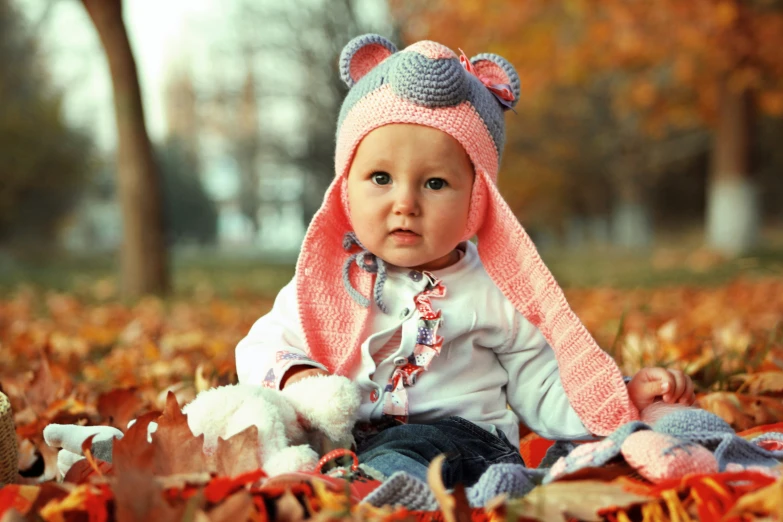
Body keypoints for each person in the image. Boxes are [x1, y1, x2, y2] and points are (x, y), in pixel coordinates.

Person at [234, 33, 695, 496]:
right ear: (345, 187)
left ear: (478, 199)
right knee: (267, 428)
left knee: (417, 442)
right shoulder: (326, 280)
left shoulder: (494, 289)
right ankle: (319, 480)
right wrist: (296, 373)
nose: (405, 203)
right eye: (380, 178)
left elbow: (543, 384)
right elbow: (260, 346)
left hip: (469, 444)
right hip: (354, 441)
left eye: (434, 183)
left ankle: (367, 489)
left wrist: (620, 399)